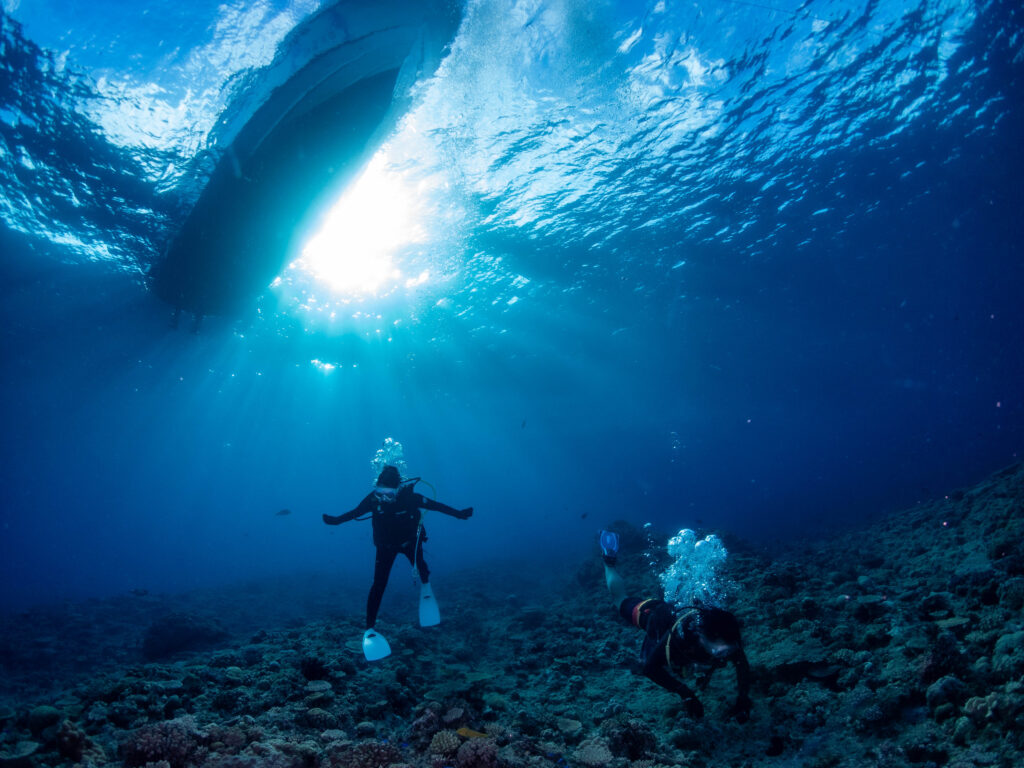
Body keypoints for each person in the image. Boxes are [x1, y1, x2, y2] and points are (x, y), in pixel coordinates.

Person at [599, 530, 752, 723]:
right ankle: (608, 561)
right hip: (653, 616)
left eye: (728, 650)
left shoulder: (727, 635)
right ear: (700, 636)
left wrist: (743, 698)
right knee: (620, 601)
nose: (725, 655)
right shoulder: (680, 636)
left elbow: (742, 665)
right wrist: (685, 693)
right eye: (720, 651)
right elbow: (650, 668)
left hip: (681, 612)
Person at [323, 465, 473, 659]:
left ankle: (426, 587)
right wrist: (335, 521)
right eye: (380, 492)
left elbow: (436, 506)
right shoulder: (372, 499)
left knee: (421, 567)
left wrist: (459, 514)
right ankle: (369, 628)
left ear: (398, 489)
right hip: (385, 547)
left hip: (410, 543)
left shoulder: (410, 498)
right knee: (378, 584)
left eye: (389, 493)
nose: (383, 497)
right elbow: (355, 512)